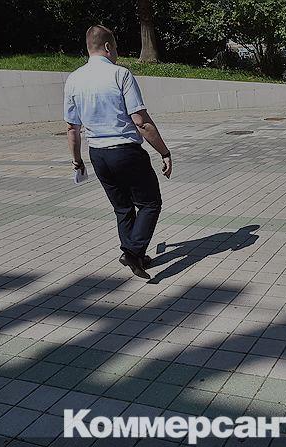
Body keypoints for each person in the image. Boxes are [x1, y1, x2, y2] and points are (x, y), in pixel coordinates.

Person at [64, 24, 172, 280]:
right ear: (108, 46)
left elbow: (71, 128)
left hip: (98, 154)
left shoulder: (73, 79)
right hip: (126, 151)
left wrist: (77, 161)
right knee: (150, 203)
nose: (116, 53)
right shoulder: (120, 74)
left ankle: (136, 255)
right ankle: (132, 252)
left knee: (122, 208)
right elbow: (140, 122)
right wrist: (164, 152)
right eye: (115, 48)